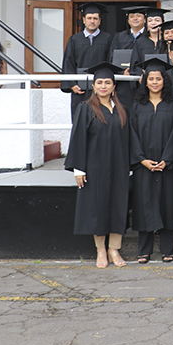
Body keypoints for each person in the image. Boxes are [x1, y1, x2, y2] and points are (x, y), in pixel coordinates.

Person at [64, 62, 129, 268]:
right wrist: (78, 169)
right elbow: (78, 138)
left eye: (107, 82)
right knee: (97, 207)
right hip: (94, 167)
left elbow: (128, 138)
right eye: (99, 82)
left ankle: (114, 249)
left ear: (113, 86)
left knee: (118, 206)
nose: (103, 86)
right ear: (94, 85)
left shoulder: (121, 110)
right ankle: (101, 249)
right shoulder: (86, 108)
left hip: (119, 166)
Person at [129, 59, 173, 264]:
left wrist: (168, 159)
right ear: (146, 82)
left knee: (168, 205)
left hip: (168, 166)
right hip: (144, 166)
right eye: (151, 79)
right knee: (144, 205)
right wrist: (142, 160)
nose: (155, 82)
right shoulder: (137, 105)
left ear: (164, 81)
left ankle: (168, 249)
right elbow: (131, 134)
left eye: (158, 78)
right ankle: (144, 250)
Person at [61, 2, 113, 118]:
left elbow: (110, 61)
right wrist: (72, 84)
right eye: (89, 18)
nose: (92, 21)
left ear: (100, 21)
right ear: (84, 20)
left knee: (101, 117)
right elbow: (68, 62)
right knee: (80, 118)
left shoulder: (108, 38)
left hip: (100, 88)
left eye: (95, 18)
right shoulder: (75, 39)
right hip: (80, 89)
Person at [110, 6, 147, 109]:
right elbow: (112, 58)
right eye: (132, 16)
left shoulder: (148, 37)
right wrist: (122, 73)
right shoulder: (119, 37)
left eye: (139, 16)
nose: (135, 18)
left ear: (144, 19)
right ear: (128, 20)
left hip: (143, 82)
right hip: (124, 83)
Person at [128, 8, 170, 73]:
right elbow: (135, 65)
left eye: (157, 20)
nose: (153, 23)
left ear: (162, 23)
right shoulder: (140, 42)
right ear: (146, 24)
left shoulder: (167, 41)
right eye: (150, 21)